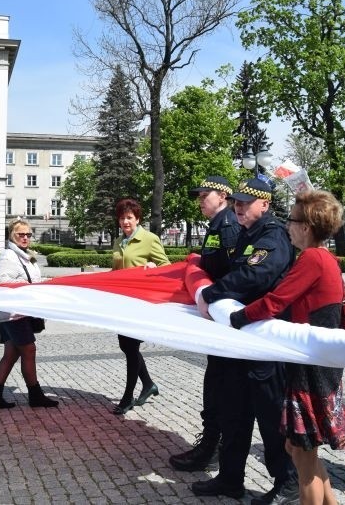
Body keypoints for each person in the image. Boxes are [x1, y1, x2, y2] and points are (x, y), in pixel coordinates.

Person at [229, 189, 345, 505]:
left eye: (291, 220)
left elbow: (276, 302)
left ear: (306, 226)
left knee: (303, 458)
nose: (287, 226)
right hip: (317, 364)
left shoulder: (313, 259)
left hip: (311, 370)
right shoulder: (325, 258)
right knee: (298, 449)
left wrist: (236, 317)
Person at [191, 178, 298, 503]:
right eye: (236, 201)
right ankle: (230, 478)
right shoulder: (248, 235)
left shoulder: (273, 235)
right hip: (240, 339)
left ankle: (288, 483)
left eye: (245, 202)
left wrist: (212, 292)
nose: (238, 206)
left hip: (263, 343)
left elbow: (256, 275)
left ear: (264, 204)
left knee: (269, 417)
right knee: (234, 413)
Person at [169, 176, 240, 471]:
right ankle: (212, 444)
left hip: (226, 319)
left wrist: (210, 295)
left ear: (223, 196)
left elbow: (236, 273)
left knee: (220, 387)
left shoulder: (229, 226)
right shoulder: (216, 225)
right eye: (198, 196)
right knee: (214, 383)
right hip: (215, 315)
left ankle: (214, 448)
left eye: (204, 195)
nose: (200, 200)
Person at [0, 219, 59, 409]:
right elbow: (3, 282)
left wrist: (49, 282)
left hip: (17, 312)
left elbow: (30, 278)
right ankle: (35, 395)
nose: (25, 238)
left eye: (28, 234)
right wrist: (30, 288)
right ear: (12, 235)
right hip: (13, 314)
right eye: (21, 234)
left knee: (11, 354)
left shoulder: (23, 255)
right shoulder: (8, 257)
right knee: (29, 350)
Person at [110, 198, 170, 415]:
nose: (125, 221)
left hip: (139, 302)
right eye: (122, 218)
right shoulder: (119, 242)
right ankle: (148, 384)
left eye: (129, 217)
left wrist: (153, 266)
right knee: (127, 347)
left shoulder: (149, 239)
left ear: (137, 219)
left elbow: (167, 267)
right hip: (122, 302)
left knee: (130, 346)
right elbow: (115, 272)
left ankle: (127, 397)